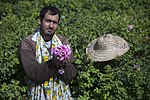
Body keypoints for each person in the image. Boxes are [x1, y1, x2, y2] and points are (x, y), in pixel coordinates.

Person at [19, 5, 77, 100]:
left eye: (54, 22)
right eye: (48, 21)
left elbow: (71, 75)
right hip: (38, 95)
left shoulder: (63, 42)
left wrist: (64, 65)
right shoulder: (28, 43)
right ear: (39, 21)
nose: (51, 25)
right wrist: (54, 62)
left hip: (62, 96)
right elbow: (33, 73)